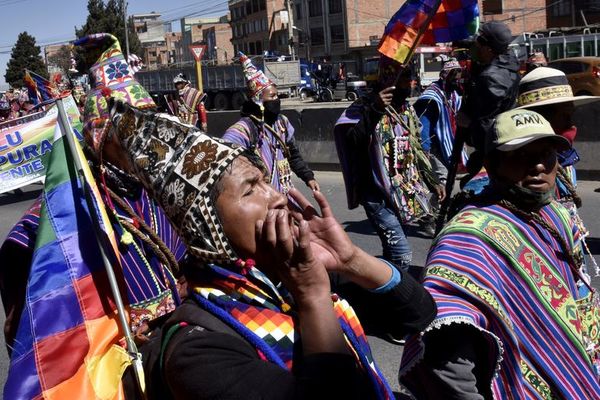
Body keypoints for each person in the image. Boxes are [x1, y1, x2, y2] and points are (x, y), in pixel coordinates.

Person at [109, 97, 437, 399]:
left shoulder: (290, 277)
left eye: (266, 181)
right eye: (252, 189)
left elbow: (418, 314)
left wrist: (351, 259)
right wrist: (312, 297)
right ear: (207, 224)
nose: (277, 196)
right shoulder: (196, 350)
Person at [0, 33, 186, 350]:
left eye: (147, 126)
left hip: (180, 333)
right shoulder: (69, 199)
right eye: (130, 129)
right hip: (116, 354)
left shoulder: (162, 184)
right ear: (101, 137)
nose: (143, 139)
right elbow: (21, 255)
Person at [399, 108, 600, 399]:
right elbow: (445, 362)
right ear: (492, 166)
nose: (539, 166)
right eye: (522, 156)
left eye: (547, 154)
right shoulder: (468, 238)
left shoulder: (554, 214)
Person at [334, 55, 443, 274]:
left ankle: (379, 285)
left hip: (402, 194)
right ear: (390, 79)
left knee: (393, 252)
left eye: (411, 78)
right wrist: (374, 109)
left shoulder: (406, 110)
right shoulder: (365, 104)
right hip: (375, 194)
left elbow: (416, 150)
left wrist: (431, 179)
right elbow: (352, 139)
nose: (410, 84)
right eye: (404, 79)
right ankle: (385, 290)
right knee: (401, 254)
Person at [517, 66, 600, 278]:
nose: (571, 125)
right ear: (539, 119)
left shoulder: (564, 160)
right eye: (564, 116)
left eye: (571, 115)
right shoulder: (514, 170)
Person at [223, 52, 319, 194]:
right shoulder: (244, 128)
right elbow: (226, 153)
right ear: (258, 100)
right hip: (260, 196)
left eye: (277, 95)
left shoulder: (282, 122)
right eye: (272, 96)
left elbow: (292, 153)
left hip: (284, 192)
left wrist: (308, 177)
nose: (277, 99)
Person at [457, 21, 520, 195]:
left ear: (488, 49)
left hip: (495, 155)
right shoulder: (509, 65)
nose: (474, 45)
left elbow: (489, 126)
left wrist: (468, 123)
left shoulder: (490, 78)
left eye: (479, 42)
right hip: (507, 149)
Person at [413, 59, 466, 236]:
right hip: (435, 145)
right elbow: (424, 123)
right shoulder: (433, 95)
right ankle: (428, 216)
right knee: (442, 181)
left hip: (450, 144)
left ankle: (437, 214)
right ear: (444, 76)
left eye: (459, 74)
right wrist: (425, 148)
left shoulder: (454, 94)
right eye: (453, 75)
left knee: (448, 181)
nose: (457, 78)